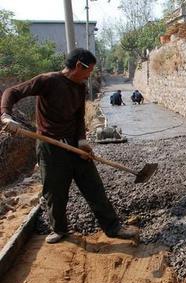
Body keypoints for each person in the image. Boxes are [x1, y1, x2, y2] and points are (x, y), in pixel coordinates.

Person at [0, 48, 139, 244]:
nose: (89, 75)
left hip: (74, 145)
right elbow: (11, 92)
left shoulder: (79, 86)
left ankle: (113, 227)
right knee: (54, 192)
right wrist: (5, 115)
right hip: (50, 147)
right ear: (77, 66)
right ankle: (60, 230)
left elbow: (78, 117)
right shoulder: (47, 81)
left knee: (94, 187)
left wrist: (82, 141)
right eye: (88, 70)